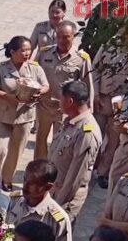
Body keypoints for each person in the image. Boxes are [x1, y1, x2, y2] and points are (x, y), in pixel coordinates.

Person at [0, 36, 47, 190]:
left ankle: (7, 180)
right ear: (13, 52)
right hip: (4, 114)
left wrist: (39, 92)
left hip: (24, 117)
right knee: (1, 149)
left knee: (16, 151)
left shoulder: (34, 68)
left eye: (28, 50)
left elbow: (45, 85)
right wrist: (9, 97)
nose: (27, 53)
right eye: (23, 50)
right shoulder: (1, 68)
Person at [34, 21, 94, 159]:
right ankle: (39, 170)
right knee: (40, 140)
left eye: (66, 37)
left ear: (73, 37)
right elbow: (34, 75)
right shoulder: (44, 53)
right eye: (59, 36)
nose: (62, 40)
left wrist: (88, 111)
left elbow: (87, 86)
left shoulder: (81, 59)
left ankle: (55, 171)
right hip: (45, 106)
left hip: (66, 110)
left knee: (60, 142)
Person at [47, 80, 102, 220]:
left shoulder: (86, 132)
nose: (59, 102)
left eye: (61, 98)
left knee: (58, 239)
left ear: (70, 101)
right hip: (54, 191)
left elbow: (75, 176)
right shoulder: (71, 122)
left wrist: (58, 205)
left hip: (65, 199)